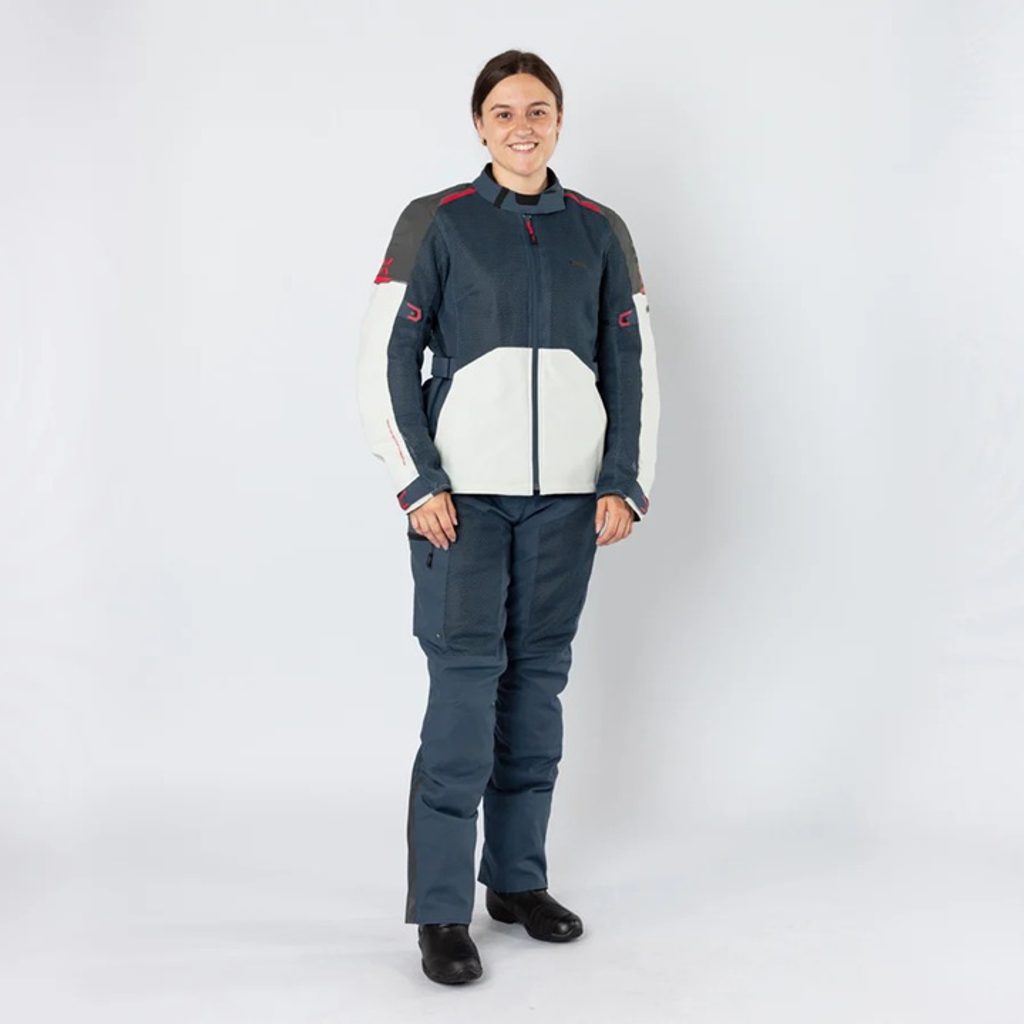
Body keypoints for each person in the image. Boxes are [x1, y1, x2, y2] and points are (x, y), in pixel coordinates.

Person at [356, 49, 660, 985]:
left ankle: (518, 882)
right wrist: (418, 482)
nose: (521, 126)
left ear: (559, 121)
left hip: (567, 503)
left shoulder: (599, 230)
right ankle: (441, 911)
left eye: (537, 110)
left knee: (535, 695)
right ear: (479, 125)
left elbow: (631, 364)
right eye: (503, 112)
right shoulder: (438, 221)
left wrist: (623, 480)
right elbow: (385, 359)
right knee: (463, 700)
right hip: (463, 505)